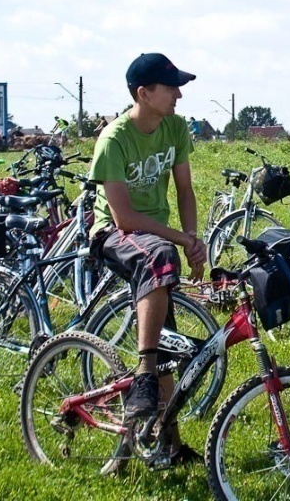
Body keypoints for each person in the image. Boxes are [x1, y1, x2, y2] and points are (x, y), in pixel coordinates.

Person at [88, 52, 207, 468]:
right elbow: (123, 217)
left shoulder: (174, 127)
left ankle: (166, 446)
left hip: (157, 239)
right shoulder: (115, 139)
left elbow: (185, 191)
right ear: (144, 93)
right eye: (171, 87)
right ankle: (142, 375)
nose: (178, 95)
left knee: (167, 347)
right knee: (159, 259)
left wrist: (192, 239)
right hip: (117, 235)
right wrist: (177, 240)